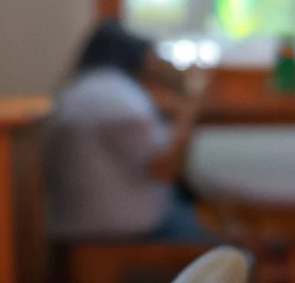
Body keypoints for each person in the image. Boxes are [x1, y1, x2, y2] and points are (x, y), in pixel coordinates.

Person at [45, 20, 214, 242]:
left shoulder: (82, 89)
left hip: (75, 218)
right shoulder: (119, 98)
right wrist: (187, 113)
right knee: (218, 242)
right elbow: (164, 168)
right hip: (119, 224)